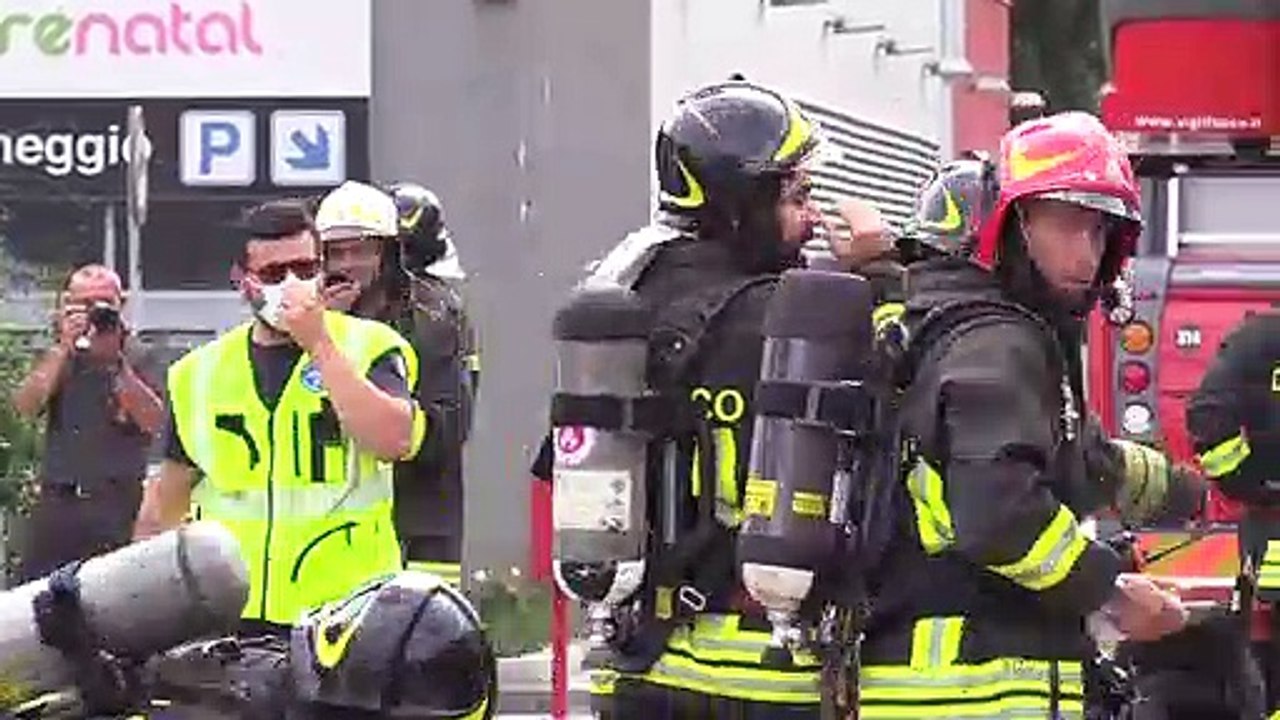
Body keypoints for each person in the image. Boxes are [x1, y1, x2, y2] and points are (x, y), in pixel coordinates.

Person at [855, 112, 1188, 719]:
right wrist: (1111, 593)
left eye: (1097, 233)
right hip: (973, 693)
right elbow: (1000, 518)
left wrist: (1181, 489)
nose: (1085, 255)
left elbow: (1072, 457)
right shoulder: (1000, 344)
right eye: (1064, 226)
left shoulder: (936, 329)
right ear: (1010, 226)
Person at [534, 79, 825, 719]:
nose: (814, 216)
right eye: (797, 194)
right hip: (755, 673)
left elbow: (559, 458)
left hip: (633, 661)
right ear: (742, 199)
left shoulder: (622, 295)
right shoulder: (783, 317)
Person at [132, 199, 426, 637]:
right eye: (273, 275)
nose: (292, 285)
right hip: (233, 613)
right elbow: (165, 504)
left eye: (305, 270)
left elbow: (393, 440)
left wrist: (320, 346)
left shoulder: (371, 348)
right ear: (242, 281)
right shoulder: (198, 373)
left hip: (346, 611)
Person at [314, 180, 477, 588]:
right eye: (336, 252)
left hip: (419, 523)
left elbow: (446, 430)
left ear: (387, 253)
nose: (348, 264)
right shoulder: (305, 322)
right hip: (331, 532)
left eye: (361, 250)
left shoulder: (432, 318)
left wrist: (342, 336)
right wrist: (323, 328)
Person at [10, 264, 163, 581]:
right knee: (34, 598)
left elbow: (155, 422)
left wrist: (114, 363)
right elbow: (23, 408)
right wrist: (65, 347)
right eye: (86, 305)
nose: (96, 313)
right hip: (60, 501)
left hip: (117, 504)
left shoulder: (141, 355)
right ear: (68, 306)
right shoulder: (58, 357)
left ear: (122, 304)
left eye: (104, 303)